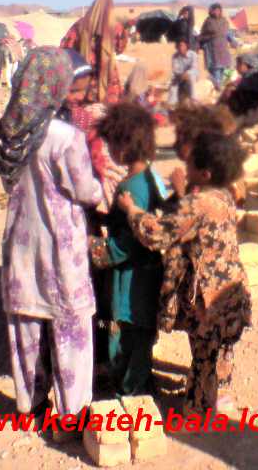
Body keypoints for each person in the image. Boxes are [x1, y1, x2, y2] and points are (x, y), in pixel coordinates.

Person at [0, 47, 104, 432]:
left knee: (25, 324)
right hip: (61, 245)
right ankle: (74, 415)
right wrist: (106, 192)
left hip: (21, 240)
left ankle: (30, 408)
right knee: (71, 327)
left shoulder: (7, 131)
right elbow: (86, 191)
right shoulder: (65, 138)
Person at [119, 132, 252, 414]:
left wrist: (131, 209)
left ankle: (201, 409)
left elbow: (156, 234)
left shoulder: (197, 203)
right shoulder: (224, 196)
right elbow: (195, 223)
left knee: (205, 354)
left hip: (208, 295)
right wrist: (181, 192)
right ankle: (222, 393)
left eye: (189, 165)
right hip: (230, 288)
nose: (183, 169)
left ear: (204, 173)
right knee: (221, 346)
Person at [89, 103, 165, 396]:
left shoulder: (129, 189)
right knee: (142, 337)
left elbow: (128, 242)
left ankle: (129, 394)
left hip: (131, 280)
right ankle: (141, 385)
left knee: (125, 339)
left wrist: (94, 248)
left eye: (111, 146)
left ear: (123, 146)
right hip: (148, 274)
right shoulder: (151, 179)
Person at [61, 0, 129, 105]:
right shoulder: (117, 28)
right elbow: (120, 49)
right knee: (107, 112)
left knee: (82, 114)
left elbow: (65, 47)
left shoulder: (80, 25)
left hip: (83, 76)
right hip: (108, 78)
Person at [197, 3, 234, 88]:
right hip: (212, 51)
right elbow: (202, 35)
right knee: (215, 72)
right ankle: (216, 90)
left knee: (221, 72)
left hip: (223, 50)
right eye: (214, 10)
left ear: (220, 11)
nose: (216, 12)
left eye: (218, 10)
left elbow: (228, 34)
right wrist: (199, 42)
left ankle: (218, 90)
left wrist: (233, 42)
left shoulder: (224, 21)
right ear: (211, 11)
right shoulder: (208, 21)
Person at [169, 39, 199, 106]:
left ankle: (194, 101)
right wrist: (181, 75)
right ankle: (172, 103)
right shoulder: (175, 56)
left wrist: (187, 73)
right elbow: (175, 69)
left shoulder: (193, 55)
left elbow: (194, 68)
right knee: (173, 83)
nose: (180, 48)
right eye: (179, 46)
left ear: (186, 46)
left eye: (182, 46)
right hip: (180, 76)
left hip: (192, 74)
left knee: (191, 79)